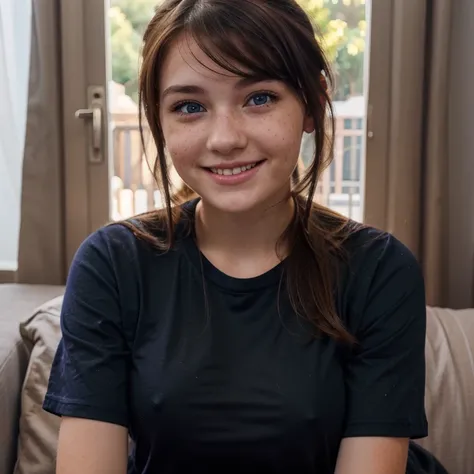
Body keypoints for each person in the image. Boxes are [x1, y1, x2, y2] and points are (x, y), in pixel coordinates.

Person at [43, 1, 449, 473]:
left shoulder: (378, 270)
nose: (224, 138)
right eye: (189, 107)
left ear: (313, 104)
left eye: (258, 98)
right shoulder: (113, 265)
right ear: (160, 119)